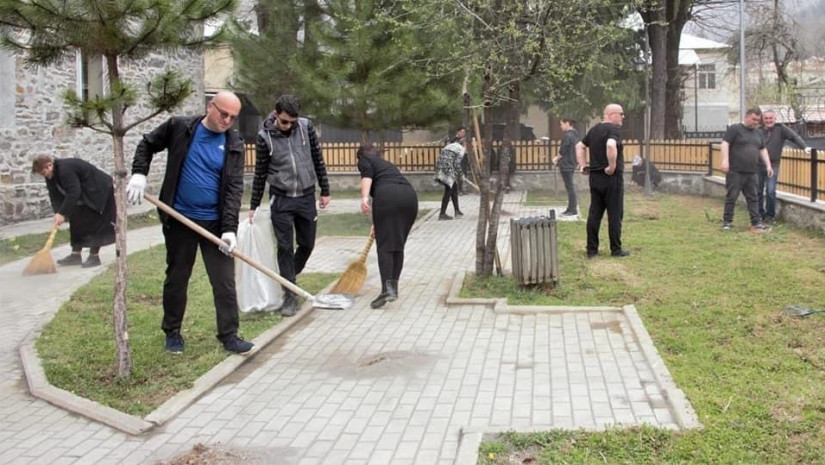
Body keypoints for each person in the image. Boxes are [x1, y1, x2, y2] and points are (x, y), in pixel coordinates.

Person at [125, 91, 253, 355]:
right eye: (223, 113)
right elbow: (147, 144)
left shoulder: (234, 144)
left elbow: (233, 189)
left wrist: (229, 228)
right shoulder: (180, 127)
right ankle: (172, 332)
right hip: (180, 219)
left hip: (215, 223)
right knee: (177, 277)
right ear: (210, 106)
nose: (227, 120)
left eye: (233, 117)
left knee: (224, 281)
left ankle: (229, 335)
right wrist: (139, 173)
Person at [249, 94, 331, 317]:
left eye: (293, 122)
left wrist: (325, 189)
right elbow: (260, 173)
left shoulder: (306, 128)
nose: (288, 126)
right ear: (276, 115)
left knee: (307, 244)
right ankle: (290, 296)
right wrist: (253, 204)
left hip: (306, 197)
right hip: (281, 199)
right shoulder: (264, 137)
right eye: (285, 122)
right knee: (285, 247)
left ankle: (286, 279)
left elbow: (317, 158)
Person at [357, 143, 419, 309]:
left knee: (384, 247)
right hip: (409, 197)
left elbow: (367, 177)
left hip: (388, 197)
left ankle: (387, 289)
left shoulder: (365, 160)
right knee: (397, 246)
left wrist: (364, 198)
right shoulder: (387, 165)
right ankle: (393, 288)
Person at [31, 155, 115, 268]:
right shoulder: (50, 175)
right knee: (76, 220)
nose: (43, 176)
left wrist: (62, 213)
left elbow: (74, 192)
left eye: (43, 173)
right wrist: (59, 212)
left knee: (94, 222)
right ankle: (75, 255)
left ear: (49, 166)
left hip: (98, 190)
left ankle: (94, 257)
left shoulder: (65, 169)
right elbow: (54, 195)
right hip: (84, 192)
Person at [575, 103, 629, 258]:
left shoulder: (594, 130)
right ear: (611, 114)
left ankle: (592, 251)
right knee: (615, 214)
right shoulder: (614, 130)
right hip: (612, 180)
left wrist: (583, 166)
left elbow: (579, 146)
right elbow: (611, 145)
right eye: (621, 114)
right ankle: (616, 250)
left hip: (595, 179)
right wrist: (611, 167)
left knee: (594, 214)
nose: (623, 117)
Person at [720, 108, 773, 232]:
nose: (755, 122)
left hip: (752, 172)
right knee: (731, 197)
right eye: (754, 119)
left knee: (753, 198)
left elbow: (762, 149)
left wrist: (768, 165)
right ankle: (727, 222)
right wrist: (725, 160)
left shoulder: (758, 133)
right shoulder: (735, 129)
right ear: (747, 116)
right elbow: (725, 144)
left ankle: (756, 223)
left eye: (758, 121)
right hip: (736, 171)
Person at [758, 109, 810, 224]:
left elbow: (794, 137)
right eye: (766, 118)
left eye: (770, 118)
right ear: (763, 119)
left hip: (774, 164)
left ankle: (770, 216)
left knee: (770, 191)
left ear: (775, 118)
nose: (768, 120)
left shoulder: (780, 129)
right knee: (758, 191)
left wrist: (804, 147)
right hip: (758, 165)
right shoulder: (758, 131)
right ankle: (759, 215)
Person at [553, 118, 579, 216]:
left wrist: (556, 158)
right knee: (570, 187)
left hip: (566, 164)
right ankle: (570, 208)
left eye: (561, 124)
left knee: (570, 187)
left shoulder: (568, 135)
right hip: (571, 163)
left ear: (567, 123)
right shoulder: (575, 134)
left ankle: (572, 210)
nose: (560, 126)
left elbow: (563, 150)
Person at [434, 139, 465, 220]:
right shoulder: (461, 149)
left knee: (454, 189)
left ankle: (457, 211)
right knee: (449, 190)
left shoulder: (451, 145)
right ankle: (442, 214)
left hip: (440, 168)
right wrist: (461, 174)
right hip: (448, 170)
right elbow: (456, 163)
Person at [450, 127, 470, 195]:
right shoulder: (454, 139)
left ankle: (461, 189)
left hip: (464, 158)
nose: (463, 133)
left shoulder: (465, 139)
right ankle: (458, 190)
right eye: (461, 132)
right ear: (458, 132)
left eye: (464, 132)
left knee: (463, 173)